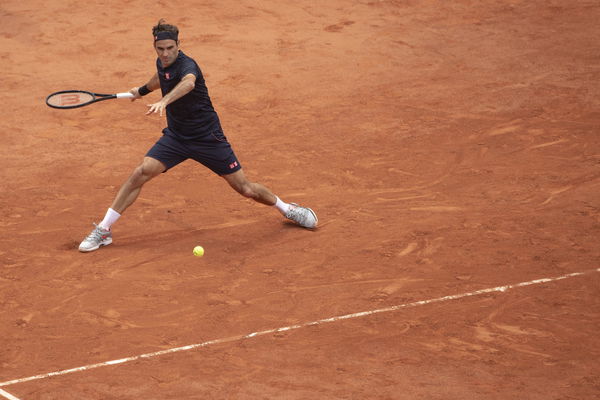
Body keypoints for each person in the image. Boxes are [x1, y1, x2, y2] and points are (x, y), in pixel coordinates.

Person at [79, 19, 317, 252]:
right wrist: (141, 91)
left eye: (170, 48)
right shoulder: (162, 61)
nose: (165, 54)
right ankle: (104, 230)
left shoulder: (188, 66)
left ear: (178, 45)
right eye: (160, 49)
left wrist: (164, 100)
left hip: (207, 138)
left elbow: (188, 84)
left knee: (246, 189)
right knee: (140, 172)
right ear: (155, 47)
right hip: (177, 138)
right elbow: (160, 77)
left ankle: (287, 209)